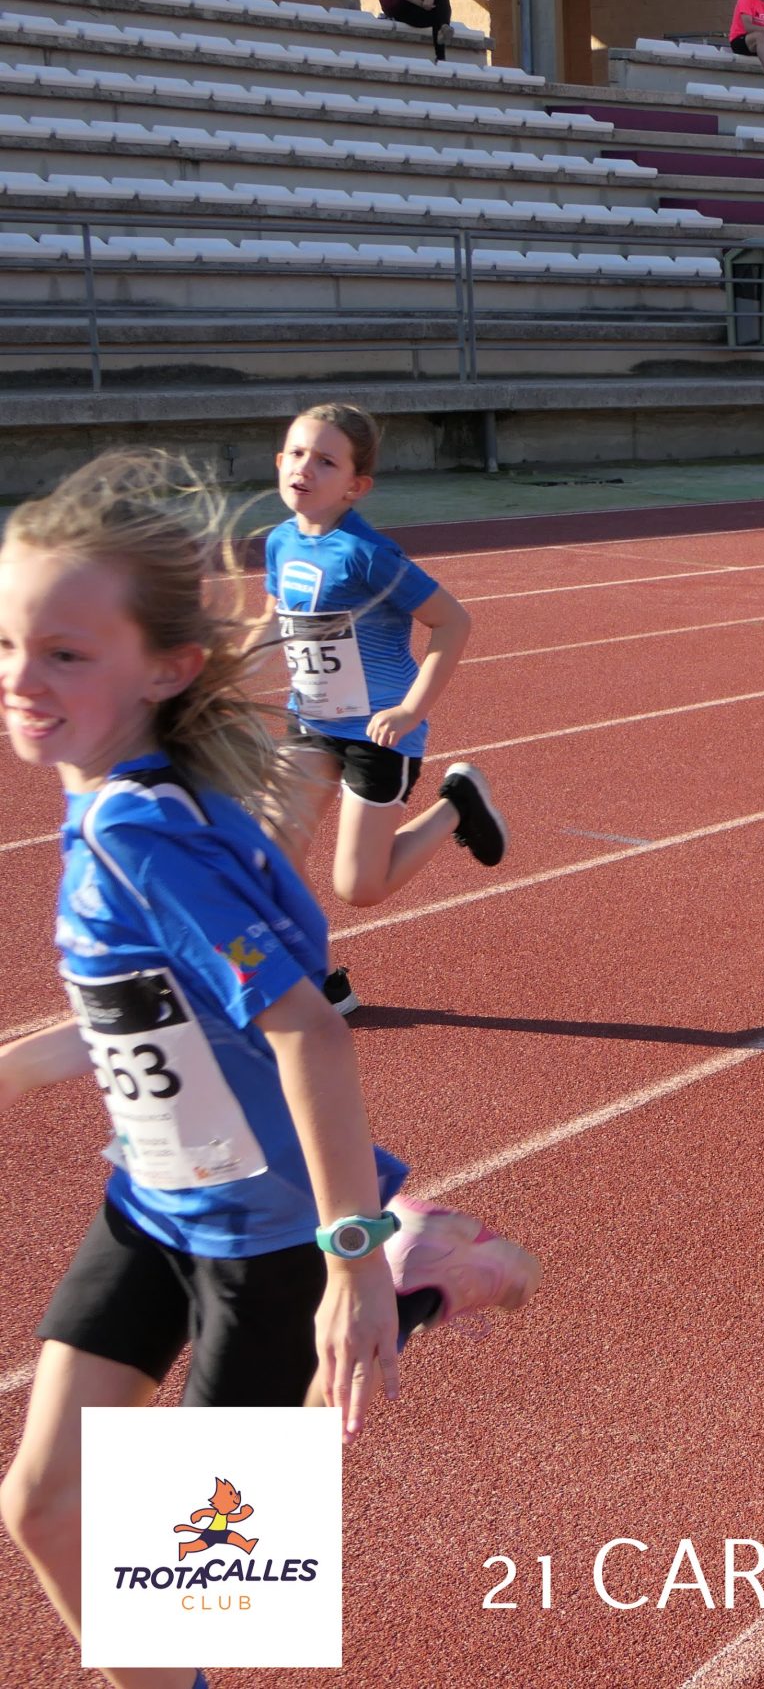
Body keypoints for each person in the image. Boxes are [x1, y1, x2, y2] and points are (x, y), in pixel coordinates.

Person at [0, 451, 537, 1689]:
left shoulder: (138, 833)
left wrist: (344, 1263)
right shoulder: (127, 804)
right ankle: (410, 1267)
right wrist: (24, 1067)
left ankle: (406, 1278)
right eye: (11, 642)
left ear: (166, 667)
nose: (24, 678)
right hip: (152, 1202)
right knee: (43, 1505)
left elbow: (308, 1027)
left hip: (270, 1239)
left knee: (198, 1583)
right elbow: (166, 1005)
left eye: (66, 653)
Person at [266, 405, 506, 1014]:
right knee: (271, 847)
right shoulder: (278, 541)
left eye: (326, 461)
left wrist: (410, 710)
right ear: (279, 462)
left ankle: (457, 806)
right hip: (310, 720)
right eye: (297, 454)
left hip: (377, 733)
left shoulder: (366, 554)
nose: (305, 468)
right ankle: (319, 979)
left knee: (359, 888)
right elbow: (274, 621)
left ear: (356, 486)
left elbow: (453, 622)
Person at [376, 0, 451, 62]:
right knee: (439, 18)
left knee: (444, 0)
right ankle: (441, 56)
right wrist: (422, 4)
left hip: (425, 10)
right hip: (407, 10)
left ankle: (444, 27)